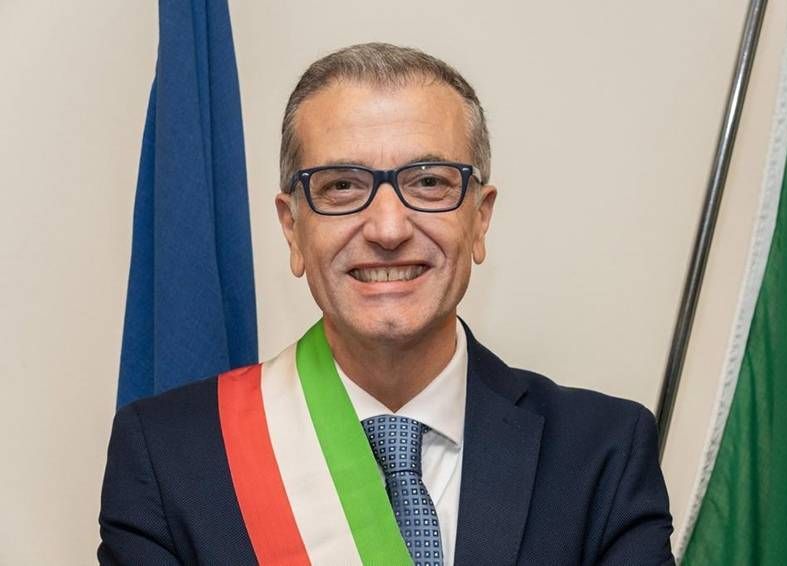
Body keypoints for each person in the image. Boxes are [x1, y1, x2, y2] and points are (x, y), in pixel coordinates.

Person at [98, 43, 674, 565]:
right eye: (341, 186)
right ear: (292, 228)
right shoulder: (167, 457)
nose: (389, 228)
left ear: (480, 219)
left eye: (429, 183)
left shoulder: (604, 453)